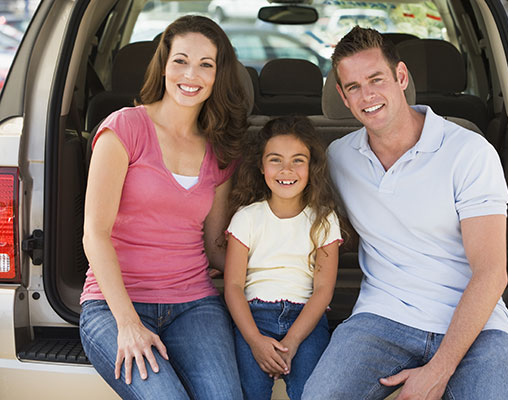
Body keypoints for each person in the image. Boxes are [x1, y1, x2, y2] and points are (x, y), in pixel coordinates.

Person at [302, 26, 508, 400]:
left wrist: (438, 371)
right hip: (383, 318)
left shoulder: (469, 152)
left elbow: (491, 274)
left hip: (477, 326)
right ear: (341, 95)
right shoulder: (339, 157)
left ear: (401, 77)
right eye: (353, 86)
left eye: (376, 79)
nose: (367, 95)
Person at [79, 15, 247, 400]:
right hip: (113, 305)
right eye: (181, 61)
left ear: (219, 76)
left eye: (206, 64)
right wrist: (128, 323)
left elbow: (214, 247)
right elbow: (95, 233)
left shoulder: (219, 149)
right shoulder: (124, 128)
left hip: (194, 304)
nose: (192, 74)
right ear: (164, 65)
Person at [224, 116, 344, 400]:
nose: (286, 170)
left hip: (306, 320)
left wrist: (292, 341)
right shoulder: (247, 217)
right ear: (261, 166)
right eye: (275, 160)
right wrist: (254, 341)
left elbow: (324, 289)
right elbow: (233, 287)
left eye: (298, 160)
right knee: (249, 392)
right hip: (253, 318)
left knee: (311, 392)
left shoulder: (324, 219)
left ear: (312, 166)